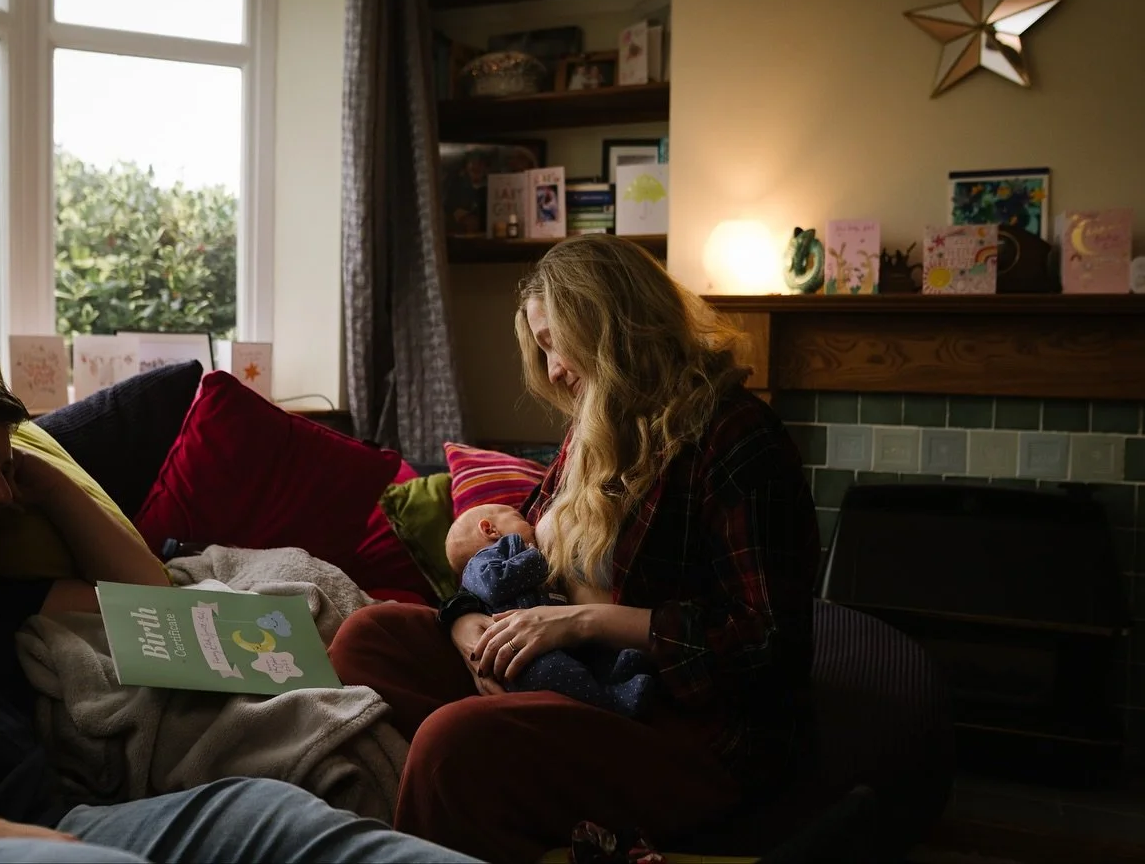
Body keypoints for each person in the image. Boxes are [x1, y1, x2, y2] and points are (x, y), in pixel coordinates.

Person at [0, 360, 480, 864]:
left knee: (269, 813)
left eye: (7, 472)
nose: (2, 494)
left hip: (60, 819)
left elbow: (153, 609)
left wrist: (53, 480)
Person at [329, 234, 821, 863]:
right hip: (562, 680)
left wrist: (583, 621)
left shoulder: (737, 438)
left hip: (669, 723)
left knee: (455, 741)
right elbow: (508, 564)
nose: (554, 371)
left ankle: (467, 784)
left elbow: (769, 647)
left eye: (552, 343)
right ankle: (462, 804)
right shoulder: (594, 434)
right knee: (368, 637)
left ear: (607, 324)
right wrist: (471, 629)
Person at [445, 504, 654, 717]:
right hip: (524, 653)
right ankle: (613, 702)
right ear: (490, 530)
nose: (532, 523)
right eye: (521, 518)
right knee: (563, 676)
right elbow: (494, 585)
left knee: (585, 665)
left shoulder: (516, 547)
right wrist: (460, 616)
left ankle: (620, 676)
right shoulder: (488, 558)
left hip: (561, 639)